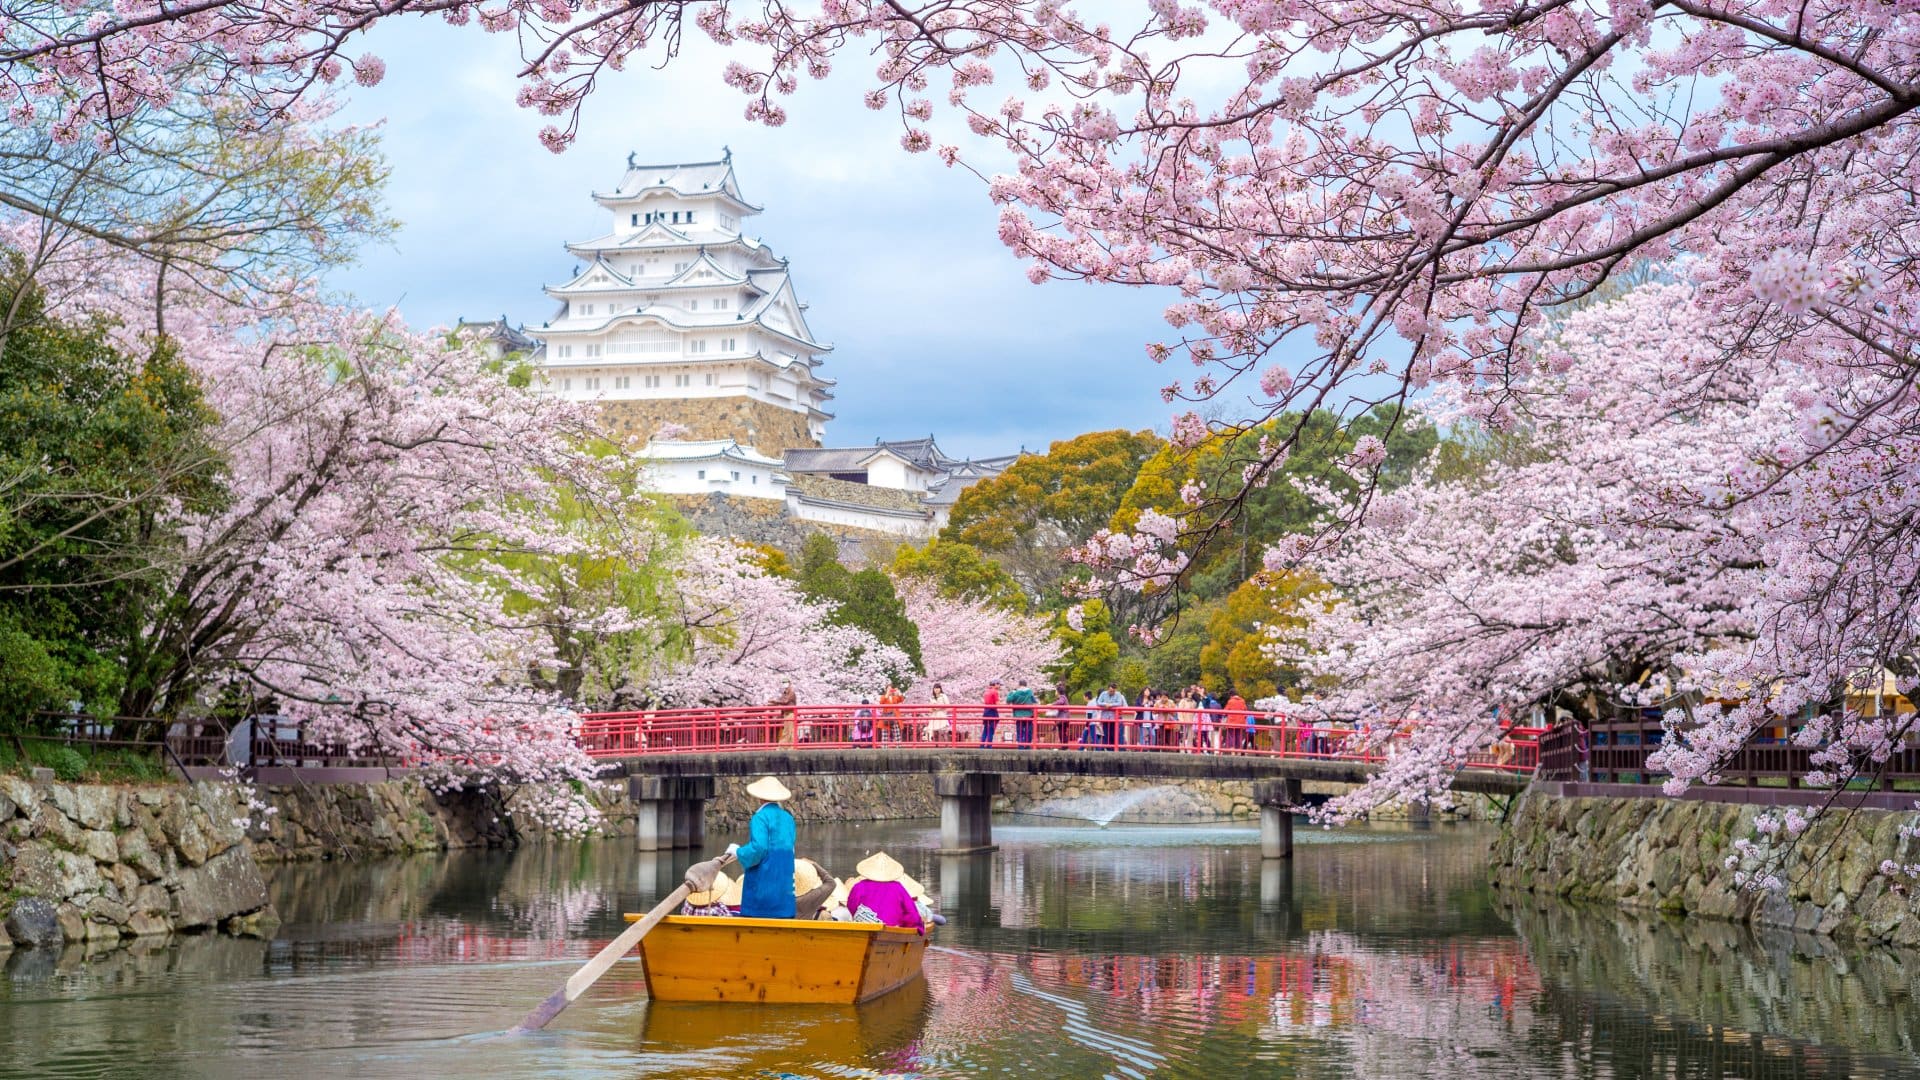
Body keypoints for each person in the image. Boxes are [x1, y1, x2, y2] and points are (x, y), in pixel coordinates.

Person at [727, 776, 797, 918]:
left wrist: (738, 852)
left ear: (760, 798)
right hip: (784, 886)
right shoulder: (788, 818)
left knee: (757, 917)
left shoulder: (760, 817)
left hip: (763, 885)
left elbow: (759, 848)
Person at [845, 852, 926, 934]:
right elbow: (911, 912)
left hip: (865, 929)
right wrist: (915, 926)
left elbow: (851, 907)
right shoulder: (897, 887)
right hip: (892, 930)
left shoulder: (859, 886)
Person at [1007, 677, 1038, 747]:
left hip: (1019, 715)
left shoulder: (1015, 693)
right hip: (1029, 715)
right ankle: (1027, 745)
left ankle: (1020, 746)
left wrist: (1011, 692)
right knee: (1028, 731)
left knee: (1020, 731)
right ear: (1026, 685)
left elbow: (1008, 700)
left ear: (1019, 685)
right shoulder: (1030, 692)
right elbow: (1035, 702)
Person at [771, 681, 798, 745]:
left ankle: (790, 746)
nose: (784, 684)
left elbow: (785, 701)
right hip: (785, 714)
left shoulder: (791, 693)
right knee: (786, 731)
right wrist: (774, 703)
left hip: (790, 713)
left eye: (785, 682)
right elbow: (781, 701)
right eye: (783, 682)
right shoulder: (784, 693)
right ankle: (786, 745)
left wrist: (775, 702)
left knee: (790, 731)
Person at [980, 680, 1002, 746]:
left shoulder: (986, 692)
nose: (1000, 686)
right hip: (992, 712)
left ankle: (982, 745)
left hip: (986, 711)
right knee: (991, 730)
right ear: (995, 684)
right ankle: (989, 745)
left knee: (986, 730)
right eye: (999, 684)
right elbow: (997, 704)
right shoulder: (995, 692)